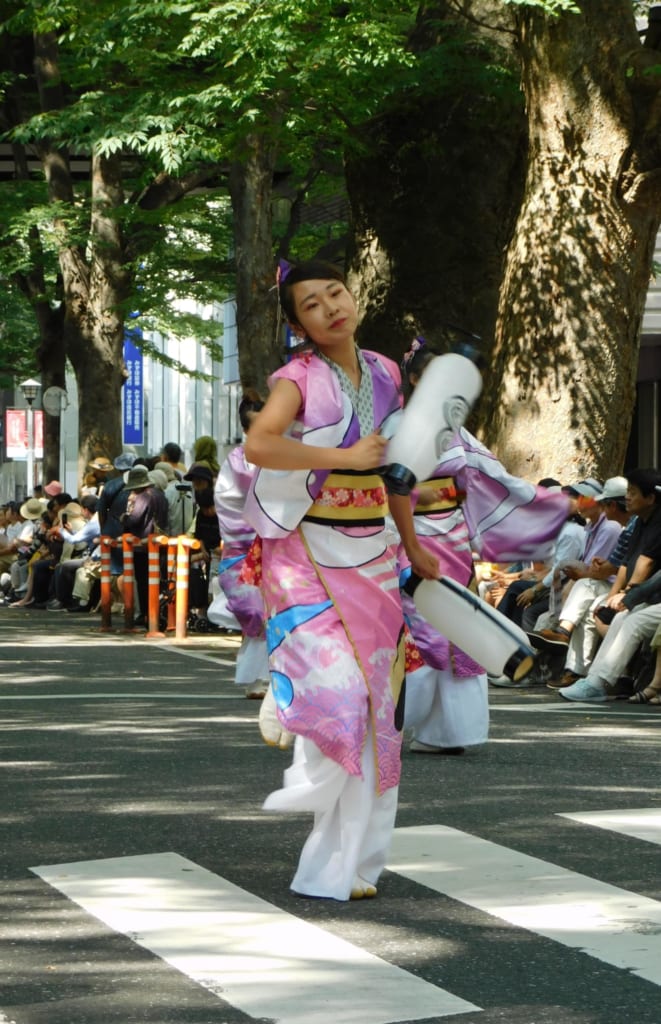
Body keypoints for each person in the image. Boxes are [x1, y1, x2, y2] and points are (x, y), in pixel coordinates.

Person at [243, 259, 437, 902]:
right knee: (346, 694)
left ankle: (354, 864)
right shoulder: (295, 379)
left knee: (380, 708)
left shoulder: (385, 372)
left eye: (336, 293)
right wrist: (341, 458)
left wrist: (414, 545)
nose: (330, 307)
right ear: (298, 324)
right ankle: (293, 687)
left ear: (352, 296)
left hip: (375, 548)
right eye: (311, 304)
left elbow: (399, 469)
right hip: (304, 550)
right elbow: (261, 445)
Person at [396, 338, 571, 750]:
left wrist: (535, 504)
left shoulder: (459, 432)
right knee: (418, 626)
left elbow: (491, 477)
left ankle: (451, 731)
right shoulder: (395, 425)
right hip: (405, 534)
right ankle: (406, 720)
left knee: (460, 627)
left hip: (451, 539)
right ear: (417, 377)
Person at [558, 469, 661, 703]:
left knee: (632, 620)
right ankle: (596, 680)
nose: (627, 498)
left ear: (651, 498)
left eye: (633, 493)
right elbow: (627, 563)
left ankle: (599, 682)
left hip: (653, 598)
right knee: (622, 617)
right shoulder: (641, 522)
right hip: (650, 598)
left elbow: (647, 563)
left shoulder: (658, 523)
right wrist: (619, 596)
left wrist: (628, 596)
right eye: (627, 492)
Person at [214, 389, 269, 698]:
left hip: (276, 546)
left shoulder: (278, 454)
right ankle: (260, 679)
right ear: (246, 429)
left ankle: (269, 679)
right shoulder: (238, 461)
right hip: (249, 549)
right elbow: (229, 505)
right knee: (257, 613)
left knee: (278, 614)